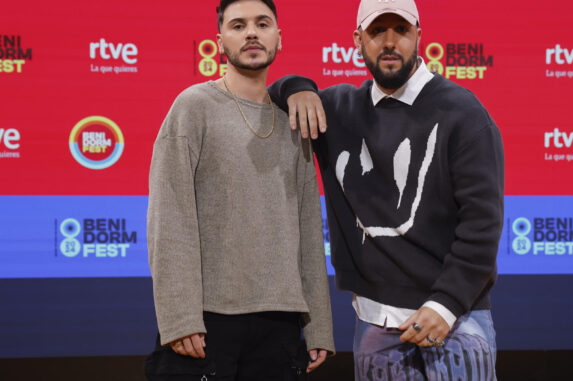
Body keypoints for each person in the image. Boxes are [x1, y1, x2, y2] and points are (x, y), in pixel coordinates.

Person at [268, 0, 504, 379]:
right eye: (378, 31)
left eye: (401, 30)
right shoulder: (337, 109)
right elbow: (275, 91)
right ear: (358, 40)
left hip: (454, 323)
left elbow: (483, 225)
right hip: (374, 327)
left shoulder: (463, 113)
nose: (390, 42)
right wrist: (298, 88)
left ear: (419, 37)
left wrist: (446, 305)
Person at [145, 0, 334, 379]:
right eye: (238, 25)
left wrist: (319, 326)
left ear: (278, 39)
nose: (251, 32)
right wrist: (180, 317)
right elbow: (169, 219)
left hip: (280, 326)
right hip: (207, 323)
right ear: (219, 42)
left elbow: (309, 228)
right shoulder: (193, 106)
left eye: (262, 24)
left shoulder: (293, 120)